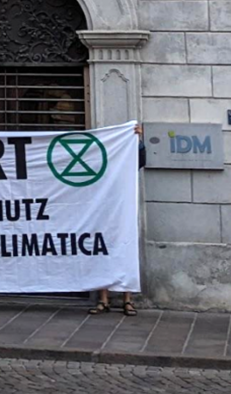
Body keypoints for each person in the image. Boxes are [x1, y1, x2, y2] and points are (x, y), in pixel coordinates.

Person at [88, 123, 146, 316]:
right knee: (101, 254)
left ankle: (127, 300)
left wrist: (138, 141)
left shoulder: (126, 165)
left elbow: (140, 161)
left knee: (126, 253)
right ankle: (103, 300)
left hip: (123, 215)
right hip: (102, 214)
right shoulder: (97, 167)